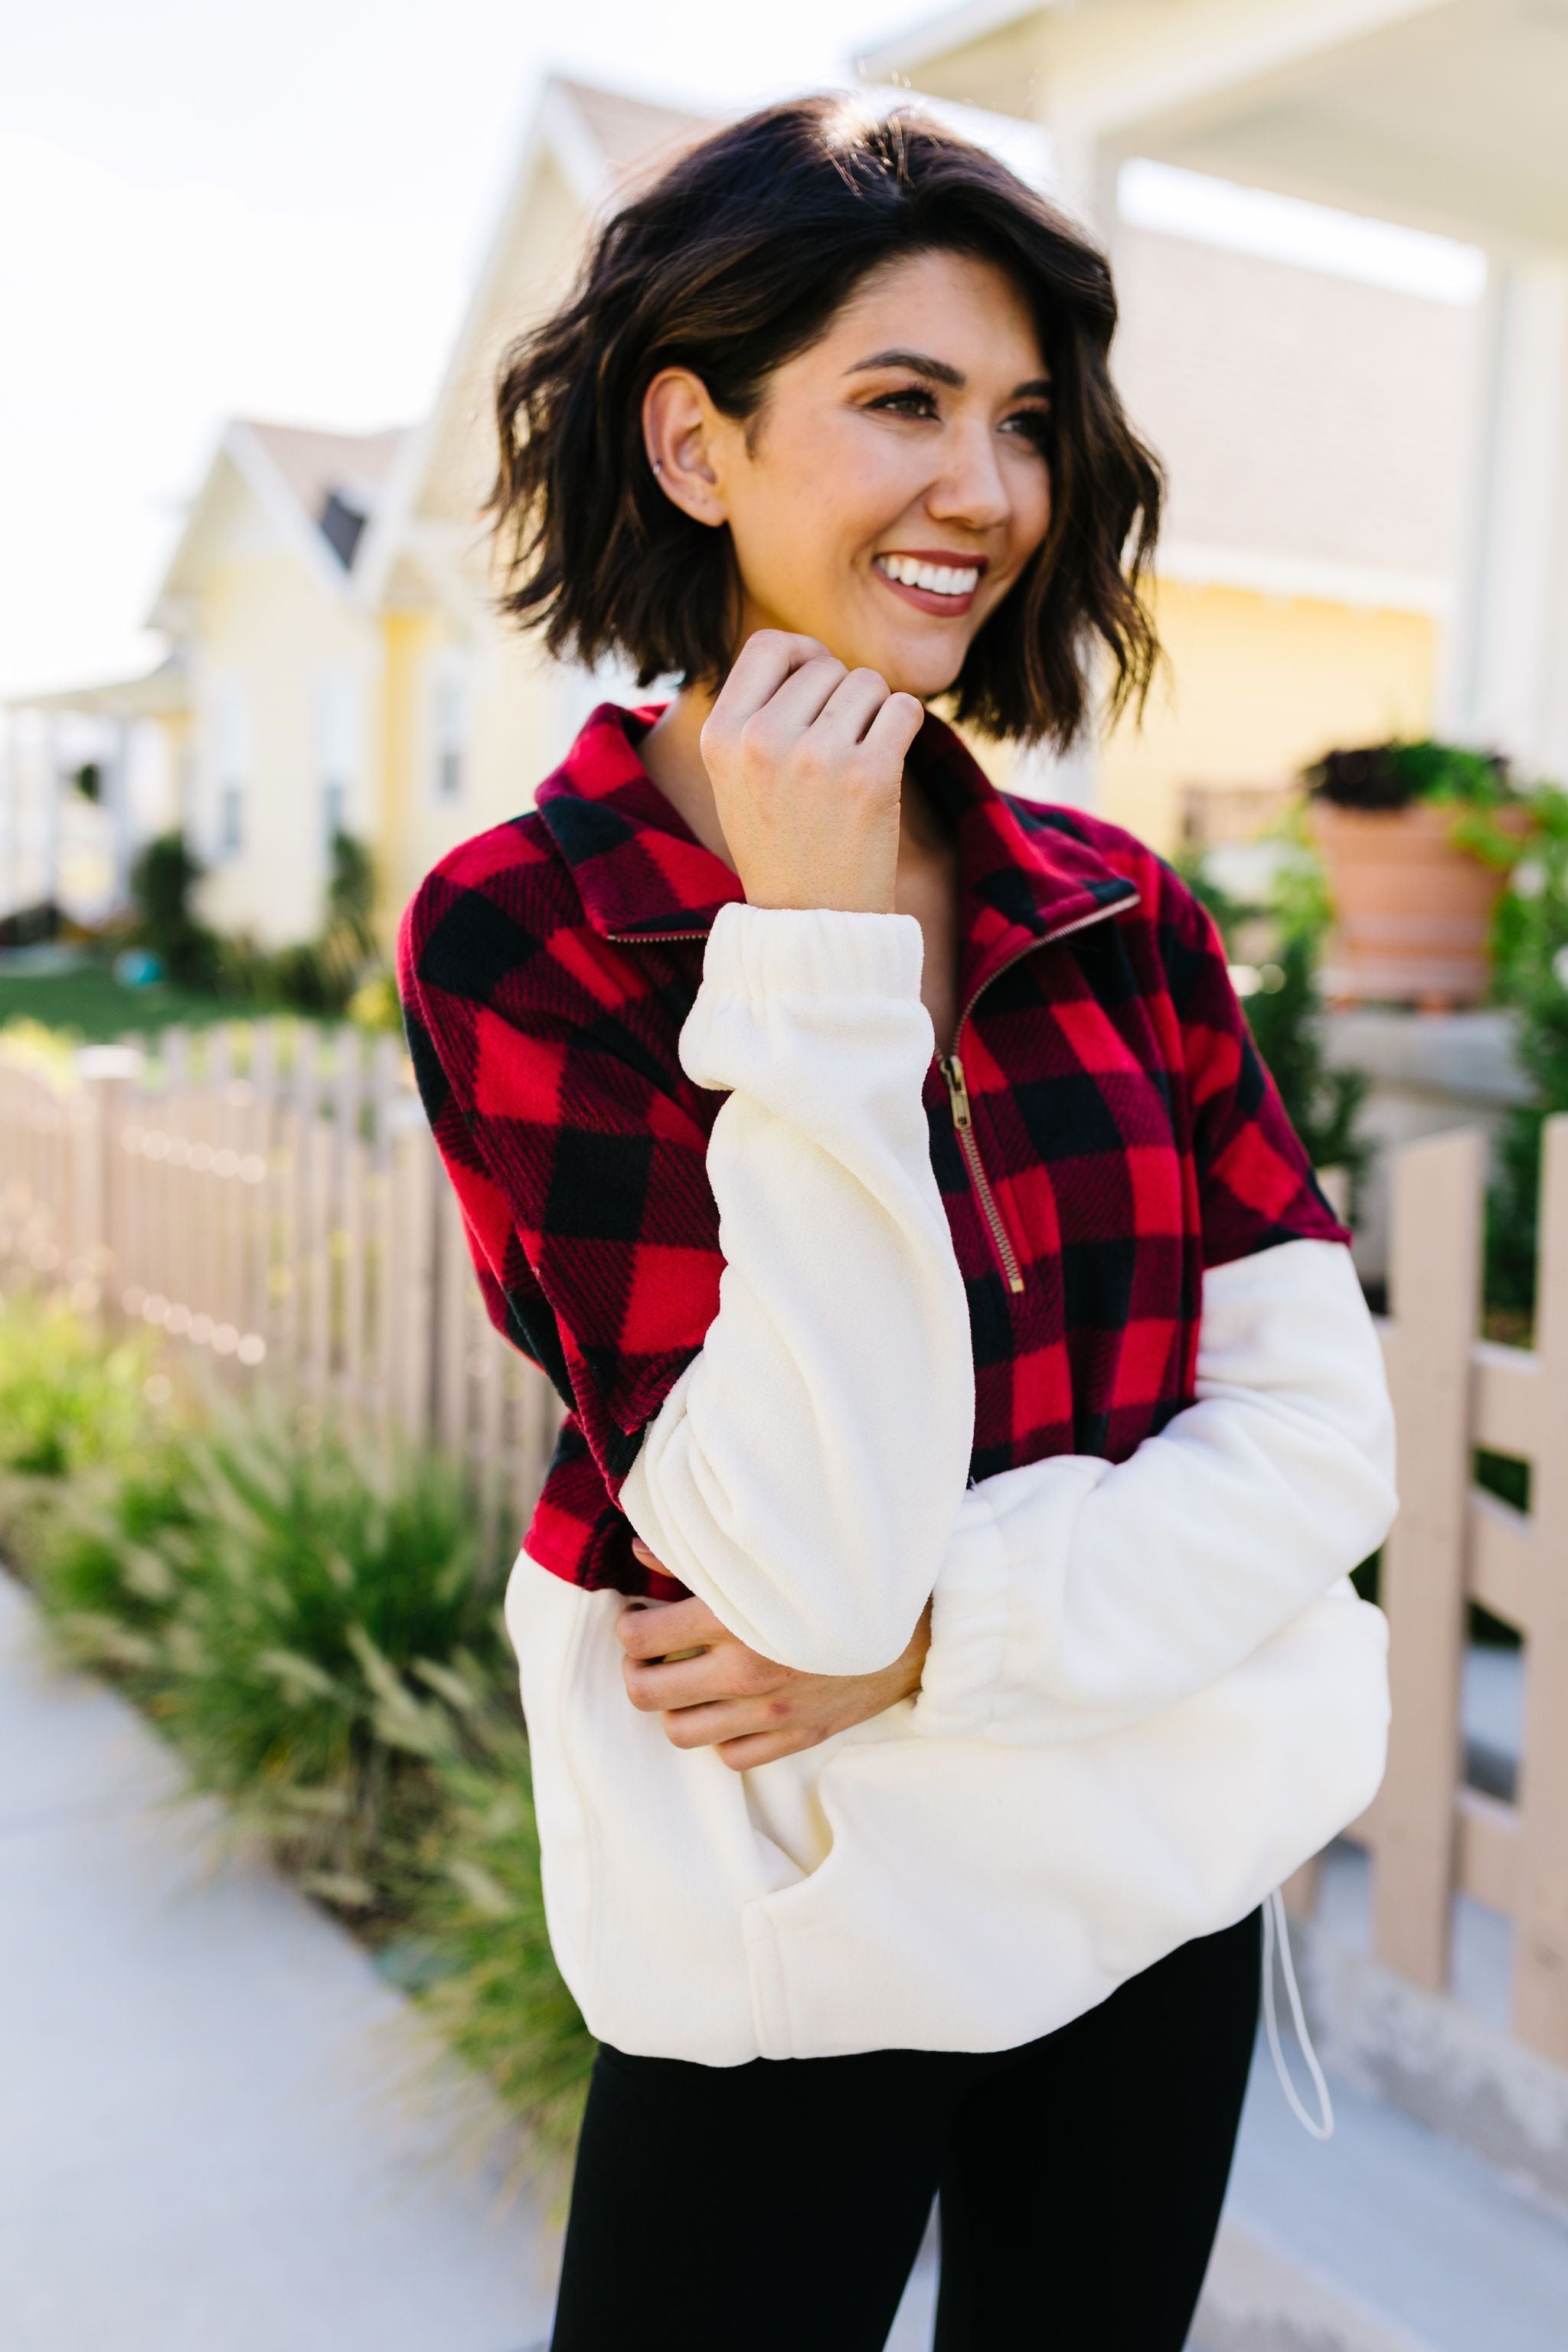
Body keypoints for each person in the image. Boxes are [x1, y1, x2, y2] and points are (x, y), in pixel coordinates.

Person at [396, 93, 1398, 2352]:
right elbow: (799, 1571)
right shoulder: (531, 932)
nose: (989, 489)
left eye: (1025, 423)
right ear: (696, 443)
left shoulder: (1119, 911)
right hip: (792, 1953)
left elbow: (1327, 1448)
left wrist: (944, 1647)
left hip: (1155, 1894)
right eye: (905, 402)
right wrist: (823, 961)